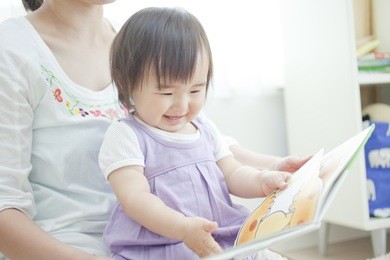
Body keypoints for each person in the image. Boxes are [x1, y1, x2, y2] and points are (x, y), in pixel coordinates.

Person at [0, 1, 308, 259]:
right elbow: (5, 207)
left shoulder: (140, 42)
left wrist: (276, 169)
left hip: (183, 235)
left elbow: (202, 143)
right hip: (80, 247)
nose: (180, 102)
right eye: (165, 92)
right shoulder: (12, 50)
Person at [98, 7, 305, 260]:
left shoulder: (204, 128)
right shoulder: (126, 135)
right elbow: (134, 198)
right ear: (128, 84)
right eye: (166, 93)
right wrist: (182, 228)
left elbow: (233, 172)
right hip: (161, 244)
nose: (182, 105)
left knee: (266, 255)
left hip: (219, 236)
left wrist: (262, 180)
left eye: (196, 91)